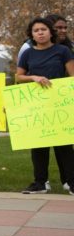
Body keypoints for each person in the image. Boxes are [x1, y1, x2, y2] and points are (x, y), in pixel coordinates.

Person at [15, 17, 74, 194]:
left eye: (43, 29)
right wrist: (34, 77)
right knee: (38, 144)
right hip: (37, 105)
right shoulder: (27, 54)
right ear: (31, 35)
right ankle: (40, 182)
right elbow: (19, 77)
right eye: (36, 30)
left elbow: (72, 76)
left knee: (64, 144)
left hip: (59, 103)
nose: (40, 33)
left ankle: (72, 182)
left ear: (50, 32)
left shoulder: (63, 51)